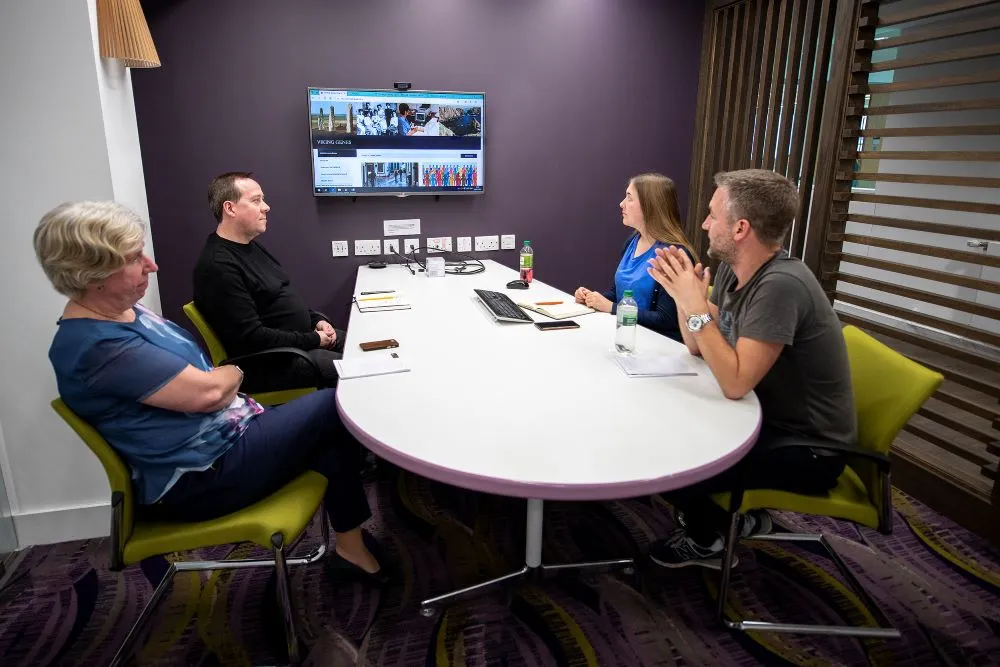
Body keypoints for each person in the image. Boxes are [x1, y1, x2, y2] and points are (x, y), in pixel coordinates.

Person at [34, 201, 386, 582]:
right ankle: (381, 518)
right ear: (92, 275)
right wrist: (232, 372)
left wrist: (218, 379)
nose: (151, 265)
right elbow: (209, 394)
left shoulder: (123, 311)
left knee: (328, 433)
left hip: (229, 437)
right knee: (336, 404)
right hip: (202, 477)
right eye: (134, 259)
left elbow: (207, 383)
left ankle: (351, 548)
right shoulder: (95, 347)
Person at [645, 169, 854, 569]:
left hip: (808, 448)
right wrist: (686, 302)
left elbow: (735, 381)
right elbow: (700, 345)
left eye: (712, 214)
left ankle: (707, 541)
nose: (704, 224)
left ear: (740, 228)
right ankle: (736, 519)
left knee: (676, 460)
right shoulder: (733, 268)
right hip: (763, 416)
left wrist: (694, 307)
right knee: (662, 423)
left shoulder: (781, 286)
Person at [193, 172, 344, 392]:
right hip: (271, 362)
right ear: (230, 208)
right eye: (256, 200)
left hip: (298, 345)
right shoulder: (218, 267)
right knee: (355, 370)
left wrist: (316, 320)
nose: (266, 207)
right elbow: (251, 338)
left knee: (363, 344)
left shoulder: (250, 247)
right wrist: (313, 339)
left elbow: (281, 297)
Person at [574, 173, 697, 342]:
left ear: (650, 206)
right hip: (629, 337)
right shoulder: (632, 241)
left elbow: (666, 320)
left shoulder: (673, 256)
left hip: (660, 346)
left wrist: (612, 308)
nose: (622, 204)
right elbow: (618, 295)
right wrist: (592, 298)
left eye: (629, 198)